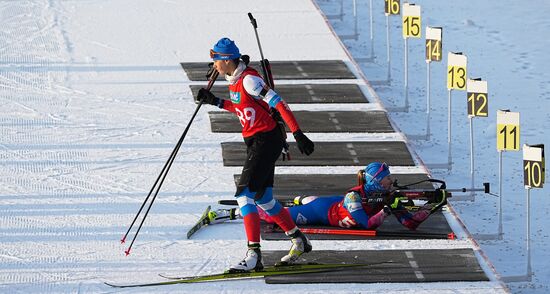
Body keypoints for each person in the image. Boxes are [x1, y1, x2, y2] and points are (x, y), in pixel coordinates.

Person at [196, 37, 315, 273]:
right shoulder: (235, 78)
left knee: (243, 195)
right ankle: (299, 240)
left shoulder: (249, 79)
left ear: (228, 60)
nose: (214, 66)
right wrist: (216, 101)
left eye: (216, 60)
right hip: (256, 141)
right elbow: (241, 107)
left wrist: (298, 133)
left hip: (266, 140)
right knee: (264, 199)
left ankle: (254, 254)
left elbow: (279, 103)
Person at [209, 162, 447, 232]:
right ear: (375, 181)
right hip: (321, 212)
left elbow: (411, 223)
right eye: (386, 178)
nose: (391, 181)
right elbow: (365, 226)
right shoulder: (354, 197)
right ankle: (232, 212)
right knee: (275, 218)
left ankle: (299, 199)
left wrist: (433, 205)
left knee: (300, 201)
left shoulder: (386, 196)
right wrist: (386, 210)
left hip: (332, 204)